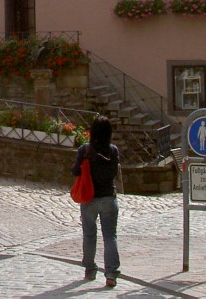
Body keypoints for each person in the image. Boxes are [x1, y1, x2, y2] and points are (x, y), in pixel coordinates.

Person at [72, 115, 121, 288]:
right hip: (108, 197)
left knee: (89, 235)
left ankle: (90, 269)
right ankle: (111, 273)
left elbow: (75, 171)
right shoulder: (113, 150)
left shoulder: (85, 150)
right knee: (110, 236)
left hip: (89, 198)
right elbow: (114, 173)